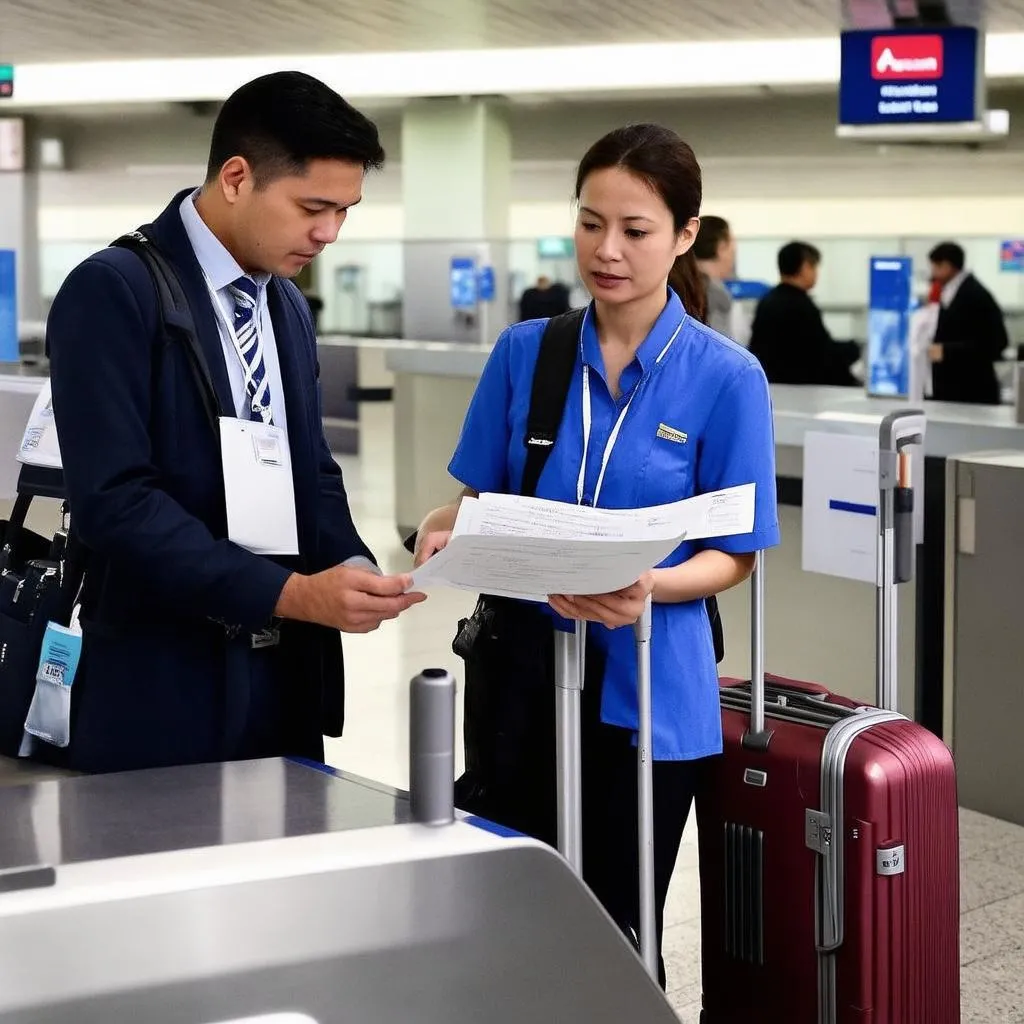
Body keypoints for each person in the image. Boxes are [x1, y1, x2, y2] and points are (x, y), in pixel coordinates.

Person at [412, 123, 779, 985]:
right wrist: (447, 526)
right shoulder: (526, 353)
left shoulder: (728, 379)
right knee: (511, 907)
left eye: (635, 230)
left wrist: (652, 584)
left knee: (616, 923)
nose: (606, 250)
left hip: (650, 689)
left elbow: (735, 555)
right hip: (522, 677)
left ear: (685, 235)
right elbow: (484, 500)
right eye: (589, 224)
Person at [45, 72, 425, 774]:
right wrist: (287, 593)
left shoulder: (285, 307)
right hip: (163, 684)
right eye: (313, 206)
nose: (329, 233)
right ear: (237, 176)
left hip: (283, 679)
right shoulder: (115, 291)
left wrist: (349, 563)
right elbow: (116, 502)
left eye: (346, 210)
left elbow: (309, 467)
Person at [748, 241, 859, 386]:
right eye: (814, 267)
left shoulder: (766, 301)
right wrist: (853, 349)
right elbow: (822, 354)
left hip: (772, 385)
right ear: (805, 267)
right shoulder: (802, 305)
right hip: (803, 388)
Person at [927, 241, 1008, 405]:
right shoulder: (948, 293)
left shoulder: (975, 294)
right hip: (950, 391)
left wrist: (946, 351)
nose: (933, 273)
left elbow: (997, 342)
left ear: (947, 266)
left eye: (935, 267)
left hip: (972, 391)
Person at [693, 214, 736, 338]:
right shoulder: (715, 292)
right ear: (721, 247)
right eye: (732, 248)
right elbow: (719, 347)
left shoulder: (679, 283)